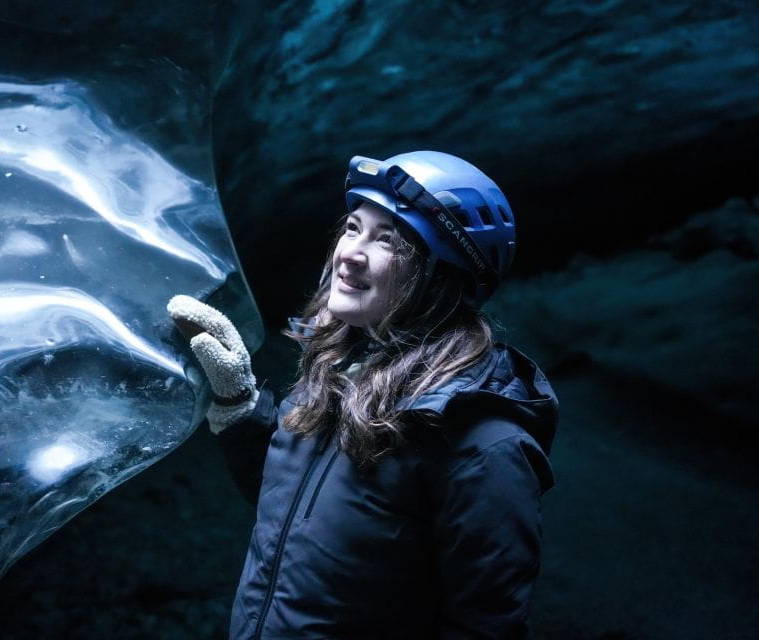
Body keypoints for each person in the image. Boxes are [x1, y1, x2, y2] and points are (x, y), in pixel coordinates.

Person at [168, 151, 558, 639]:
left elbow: (486, 627)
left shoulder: (480, 443)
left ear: (441, 276)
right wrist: (240, 405)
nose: (349, 253)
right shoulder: (339, 370)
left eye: (388, 239)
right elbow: (298, 510)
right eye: (353, 227)